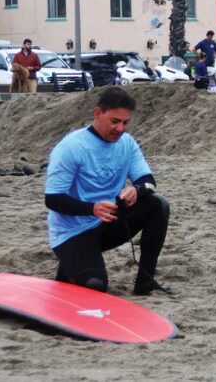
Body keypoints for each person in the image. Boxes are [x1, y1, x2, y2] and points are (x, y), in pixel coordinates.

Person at [44, 87, 171, 295]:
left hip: (108, 223)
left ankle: (145, 283)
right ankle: (71, 269)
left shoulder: (127, 143)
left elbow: (149, 181)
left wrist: (137, 190)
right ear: (97, 114)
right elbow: (53, 199)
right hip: (73, 232)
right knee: (95, 287)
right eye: (115, 121)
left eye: (125, 122)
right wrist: (91, 208)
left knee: (158, 205)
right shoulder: (71, 147)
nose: (120, 128)